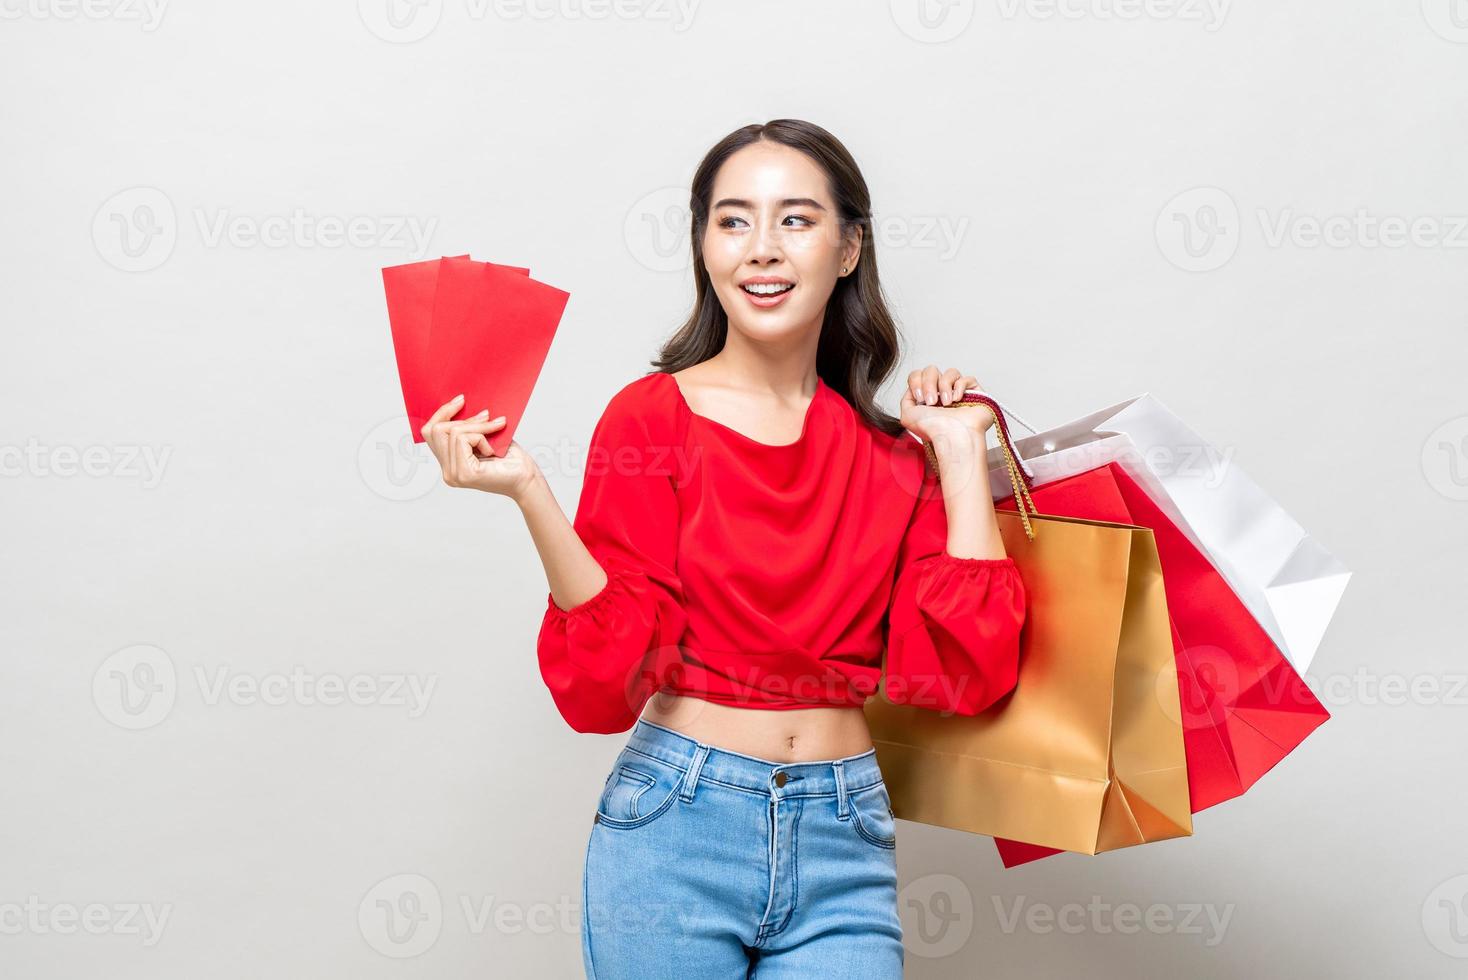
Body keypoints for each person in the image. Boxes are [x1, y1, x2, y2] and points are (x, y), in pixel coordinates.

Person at [420, 118, 1026, 979]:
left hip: (843, 835)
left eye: (797, 220)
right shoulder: (651, 419)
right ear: (704, 245)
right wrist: (528, 491)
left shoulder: (895, 458)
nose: (762, 250)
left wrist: (961, 455)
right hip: (677, 829)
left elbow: (972, 675)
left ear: (850, 247)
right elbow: (603, 683)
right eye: (734, 220)